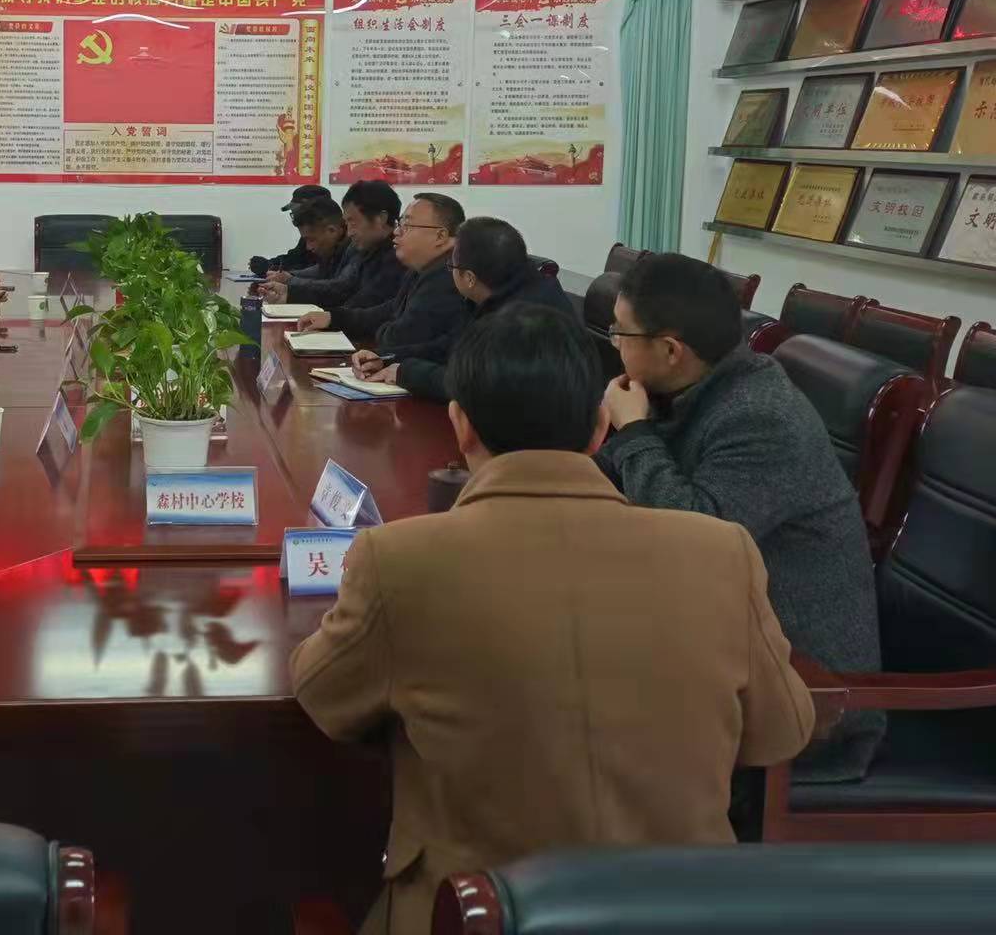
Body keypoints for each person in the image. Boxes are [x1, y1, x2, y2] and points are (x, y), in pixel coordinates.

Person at [291, 306, 814, 934]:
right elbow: (780, 732)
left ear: (460, 424)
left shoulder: (398, 559)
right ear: (600, 425)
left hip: (477, 914)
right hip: (680, 913)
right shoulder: (722, 551)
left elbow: (325, 700)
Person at [596, 252, 882, 781]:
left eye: (620, 333)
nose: (614, 344)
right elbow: (612, 482)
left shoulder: (759, 416)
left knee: (573, 708)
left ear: (670, 350)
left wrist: (632, 433)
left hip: (806, 696)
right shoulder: (687, 388)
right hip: (722, 642)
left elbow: (694, 537)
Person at [383, 217, 575, 399]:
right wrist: (386, 358)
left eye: (451, 265)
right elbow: (453, 345)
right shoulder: (501, 290)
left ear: (469, 278)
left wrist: (407, 373)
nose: (449, 272)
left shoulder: (525, 318)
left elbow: (479, 386)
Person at [300, 192, 468, 364]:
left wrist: (381, 330)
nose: (396, 231)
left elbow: (397, 338)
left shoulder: (448, 276)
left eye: (407, 225)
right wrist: (333, 318)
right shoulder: (421, 269)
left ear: (440, 236)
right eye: (400, 224)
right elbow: (386, 311)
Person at [270, 180, 405, 313]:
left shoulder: (398, 258)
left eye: (353, 222)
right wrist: (289, 291)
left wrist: (290, 288)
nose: (349, 233)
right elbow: (343, 292)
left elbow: (347, 296)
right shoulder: (368, 249)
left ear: (380, 218)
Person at [259, 197, 358, 302]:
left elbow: (339, 289)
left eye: (311, 240)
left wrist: (290, 283)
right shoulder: (336, 247)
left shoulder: (357, 248)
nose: (308, 247)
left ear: (332, 231)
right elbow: (321, 270)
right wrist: (289, 276)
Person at [250, 184, 332, 276]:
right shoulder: (309, 234)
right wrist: (270, 263)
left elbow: (314, 270)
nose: (294, 217)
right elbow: (294, 257)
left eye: (296, 212)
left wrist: (275, 269)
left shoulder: (331, 235)